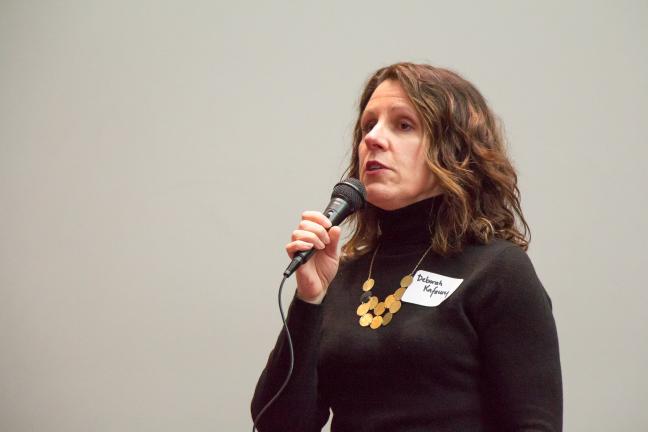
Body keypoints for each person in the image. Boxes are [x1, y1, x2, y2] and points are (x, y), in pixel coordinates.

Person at [251, 62, 562, 431]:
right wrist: (309, 299)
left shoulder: (497, 270)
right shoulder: (342, 274)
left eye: (403, 125)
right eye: (369, 125)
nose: (373, 139)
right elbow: (277, 424)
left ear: (454, 151)